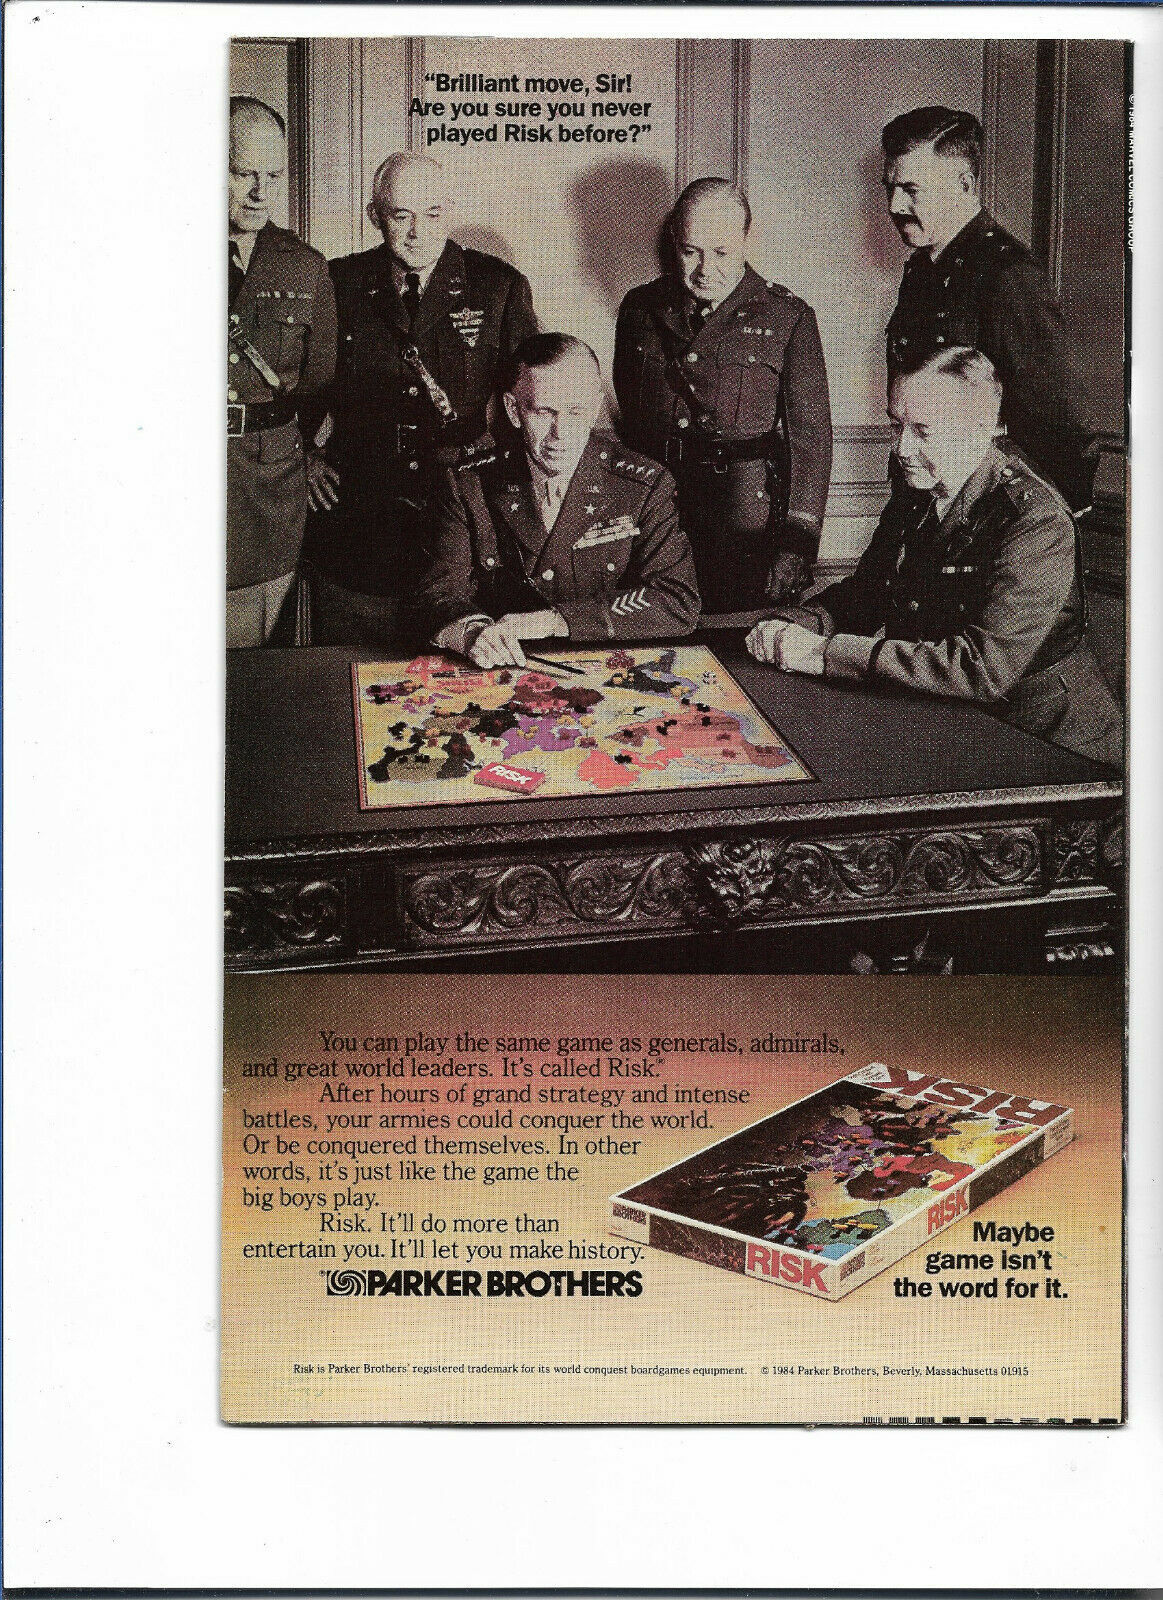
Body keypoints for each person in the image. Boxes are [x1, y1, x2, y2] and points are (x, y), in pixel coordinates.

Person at [745, 346, 1122, 766]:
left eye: (923, 431)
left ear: (981, 430)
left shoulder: (1035, 519)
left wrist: (823, 653)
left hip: (1046, 745)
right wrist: (796, 623)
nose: (902, 448)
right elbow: (869, 591)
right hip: (956, 721)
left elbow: (980, 670)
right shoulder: (917, 492)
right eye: (896, 425)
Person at [302, 153, 538, 646]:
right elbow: (299, 381)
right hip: (360, 520)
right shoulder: (339, 282)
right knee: (351, 660)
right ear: (375, 216)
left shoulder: (497, 286)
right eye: (401, 216)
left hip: (459, 519)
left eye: (432, 214)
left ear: (450, 210)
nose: (418, 233)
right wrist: (303, 454)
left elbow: (530, 398)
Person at [613, 177, 832, 611]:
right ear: (674, 240)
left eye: (721, 253)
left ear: (747, 240)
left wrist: (798, 543)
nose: (704, 269)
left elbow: (811, 440)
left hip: (743, 520)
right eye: (690, 251)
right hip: (655, 512)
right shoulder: (640, 308)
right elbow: (632, 418)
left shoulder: (787, 317)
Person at [421, 334, 700, 666]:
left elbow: (676, 600)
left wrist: (555, 621)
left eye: (576, 411)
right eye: (544, 412)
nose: (561, 432)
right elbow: (436, 594)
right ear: (513, 409)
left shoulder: (643, 485)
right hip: (501, 669)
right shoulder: (469, 483)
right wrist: (471, 632)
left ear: (595, 408)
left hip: (608, 669)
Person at [882, 105, 1096, 508]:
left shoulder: (1006, 273)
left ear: (964, 184)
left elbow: (1061, 425)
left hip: (989, 511)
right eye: (890, 187)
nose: (895, 205)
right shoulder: (922, 271)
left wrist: (1033, 521)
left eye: (911, 190)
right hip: (926, 499)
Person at [227, 96, 337, 648]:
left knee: (254, 652)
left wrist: (306, 452)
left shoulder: (304, 267)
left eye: (272, 176)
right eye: (241, 173)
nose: (259, 192)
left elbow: (319, 384)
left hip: (265, 485)